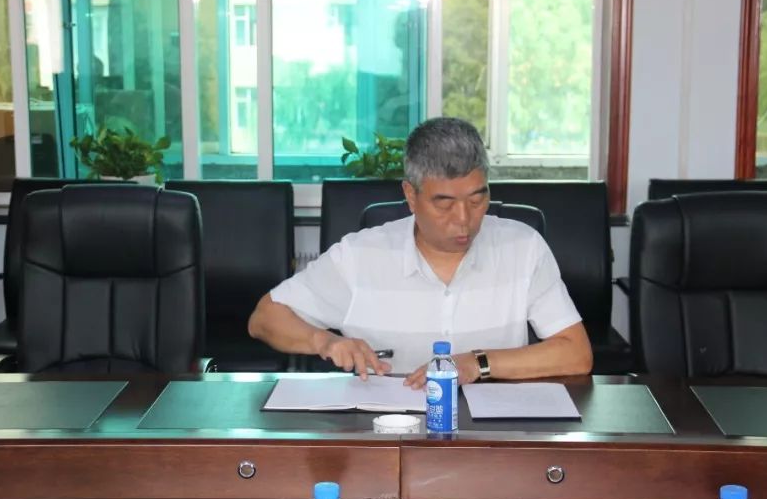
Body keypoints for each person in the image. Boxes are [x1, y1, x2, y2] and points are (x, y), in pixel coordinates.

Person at [247, 117, 593, 387]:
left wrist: (477, 363)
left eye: (477, 199)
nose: (464, 219)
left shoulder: (523, 247)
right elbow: (264, 318)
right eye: (445, 203)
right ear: (411, 196)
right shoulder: (360, 255)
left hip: (490, 435)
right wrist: (324, 342)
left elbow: (576, 354)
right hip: (387, 430)